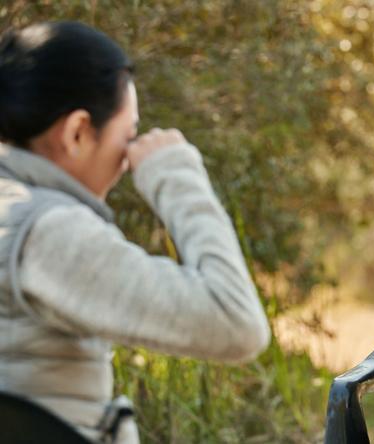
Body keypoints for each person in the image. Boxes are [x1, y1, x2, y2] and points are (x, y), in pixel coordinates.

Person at [0, 21, 271, 443]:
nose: (127, 161)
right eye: (127, 137)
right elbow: (237, 324)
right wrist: (177, 177)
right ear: (75, 133)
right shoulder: (46, 232)